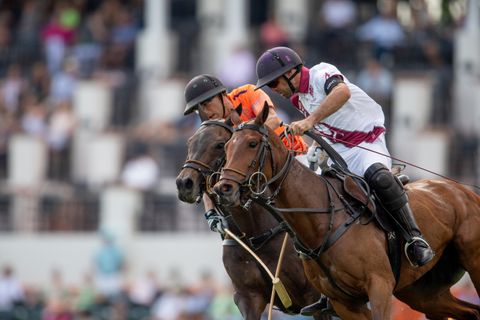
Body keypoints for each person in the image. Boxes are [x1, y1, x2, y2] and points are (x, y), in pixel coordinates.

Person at [255, 46, 434, 315]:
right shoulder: (297, 98)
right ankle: (327, 288)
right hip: (339, 152)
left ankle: (414, 239)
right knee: (310, 201)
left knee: (380, 178)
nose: (273, 89)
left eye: (275, 82)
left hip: (367, 142)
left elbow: (342, 93)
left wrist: (309, 121)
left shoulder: (321, 72)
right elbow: (326, 129)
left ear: (292, 72)